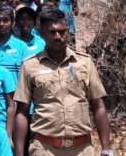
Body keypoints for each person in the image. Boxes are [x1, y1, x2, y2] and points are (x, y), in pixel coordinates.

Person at [13, 9, 113, 156]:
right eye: (52, 32)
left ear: (68, 31)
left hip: (82, 149)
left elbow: (98, 106)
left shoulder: (84, 62)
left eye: (62, 31)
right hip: (44, 149)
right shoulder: (29, 66)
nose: (58, 36)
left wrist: (106, 148)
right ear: (41, 33)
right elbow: (22, 112)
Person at [0, 6, 30, 79]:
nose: (1, 24)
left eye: (5, 20)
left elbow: (27, 74)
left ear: (13, 23)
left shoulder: (22, 46)